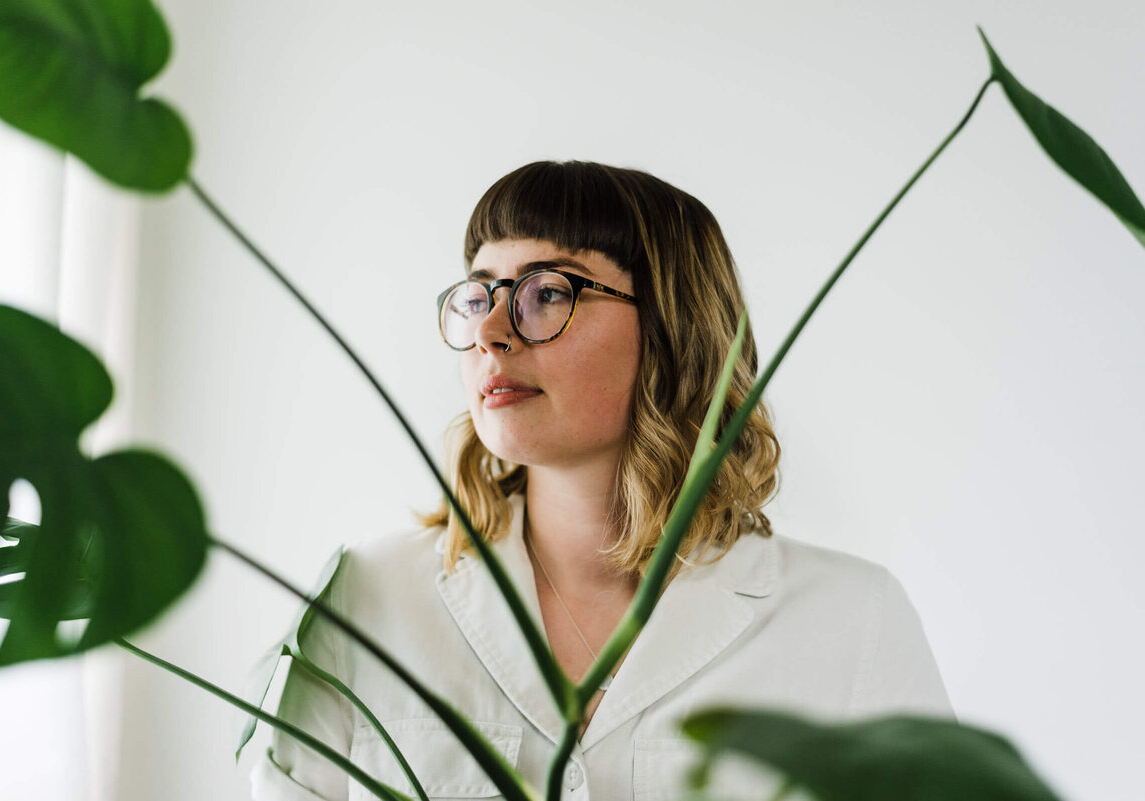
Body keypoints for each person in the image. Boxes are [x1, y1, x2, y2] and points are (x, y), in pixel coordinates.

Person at [251, 161, 952, 801]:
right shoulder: (366, 600)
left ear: (672, 328)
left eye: (545, 293)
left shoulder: (853, 621)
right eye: (478, 295)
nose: (492, 330)